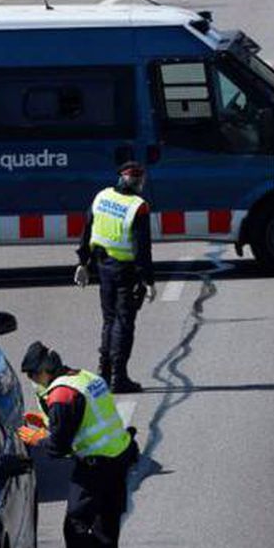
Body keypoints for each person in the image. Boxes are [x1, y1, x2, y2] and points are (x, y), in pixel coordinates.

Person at [20, 341, 138, 548]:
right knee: (106, 529)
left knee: (75, 525)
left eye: (33, 376)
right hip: (118, 457)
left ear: (44, 370)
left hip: (95, 467)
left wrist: (38, 438)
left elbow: (58, 446)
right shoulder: (84, 378)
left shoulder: (61, 396)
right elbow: (83, 419)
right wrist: (47, 421)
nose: (33, 382)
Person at [75, 161, 155, 394]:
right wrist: (148, 280)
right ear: (138, 181)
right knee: (123, 322)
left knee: (109, 320)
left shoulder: (102, 197)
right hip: (125, 271)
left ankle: (104, 373)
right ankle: (118, 377)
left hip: (102, 267)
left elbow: (87, 229)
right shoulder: (138, 207)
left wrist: (82, 262)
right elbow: (143, 248)